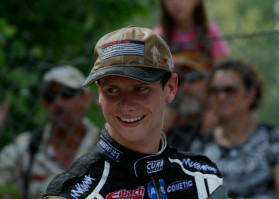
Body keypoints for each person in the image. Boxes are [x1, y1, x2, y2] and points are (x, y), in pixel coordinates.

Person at [42, 26, 227, 199]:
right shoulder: (72, 193)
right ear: (100, 94)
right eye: (112, 91)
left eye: (140, 89)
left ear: (170, 88)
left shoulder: (205, 179)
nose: (126, 105)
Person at [198, 59, 279, 199]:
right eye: (215, 91)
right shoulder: (202, 145)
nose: (221, 97)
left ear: (251, 94)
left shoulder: (273, 139)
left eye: (230, 90)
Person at [0, 66, 100, 199]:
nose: (58, 103)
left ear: (86, 99)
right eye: (50, 96)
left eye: (67, 94)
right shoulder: (26, 148)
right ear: (43, 104)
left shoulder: (106, 146)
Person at [153, 0, 228, 152]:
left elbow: (222, 72)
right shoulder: (159, 37)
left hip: (205, 100)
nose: (176, 3)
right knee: (159, 127)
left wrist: (213, 109)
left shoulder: (210, 33)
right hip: (173, 100)